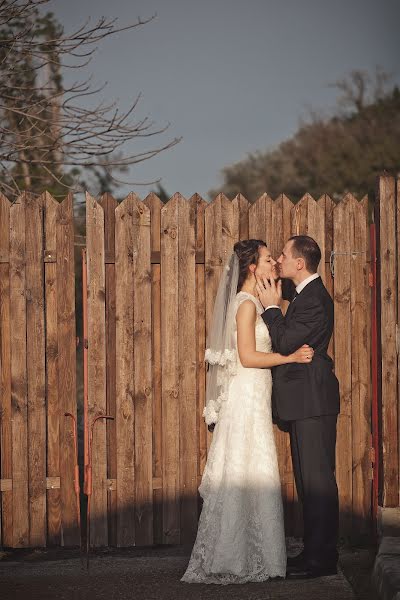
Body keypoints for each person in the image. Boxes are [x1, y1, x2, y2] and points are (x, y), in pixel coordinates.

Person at [181, 239, 314, 584]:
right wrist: (290, 357)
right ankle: (230, 554)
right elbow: (248, 357)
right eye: (269, 260)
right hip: (246, 396)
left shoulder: (256, 302)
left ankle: (258, 555)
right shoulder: (244, 305)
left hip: (257, 394)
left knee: (256, 470)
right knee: (243, 469)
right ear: (253, 268)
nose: (274, 265)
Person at [256, 235, 340, 580]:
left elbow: (287, 340)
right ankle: (312, 554)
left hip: (313, 400)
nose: (278, 259)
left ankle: (322, 562)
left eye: (283, 256)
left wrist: (273, 309)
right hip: (304, 401)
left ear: (299, 263)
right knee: (308, 483)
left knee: (318, 483)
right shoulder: (304, 294)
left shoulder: (315, 299)